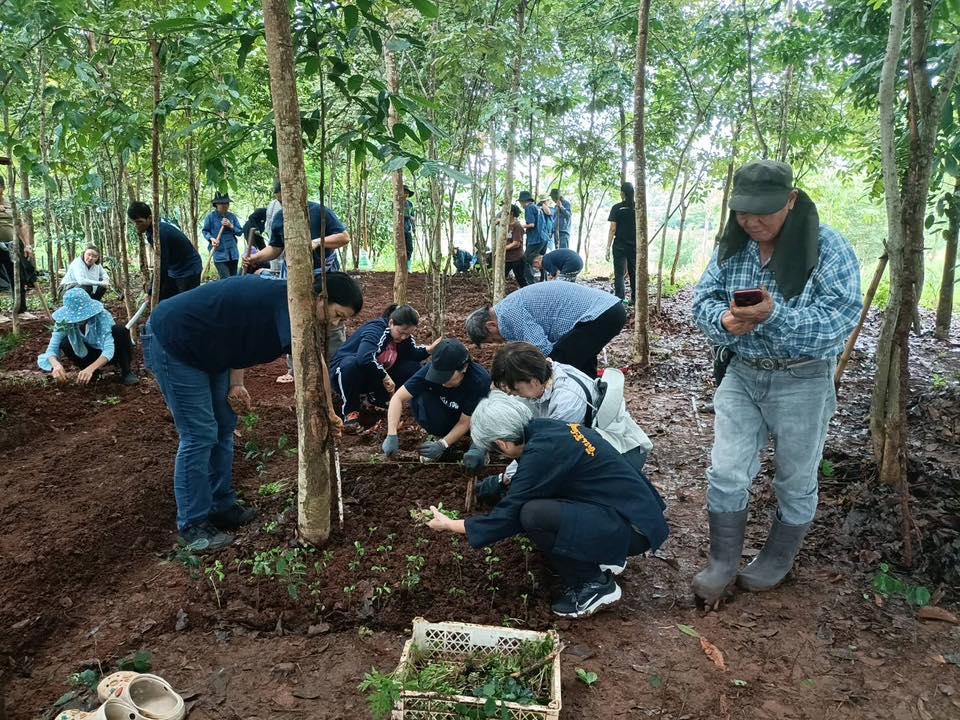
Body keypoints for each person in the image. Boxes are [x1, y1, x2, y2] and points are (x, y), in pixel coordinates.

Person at [689, 159, 862, 605]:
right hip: (743, 373)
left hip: (803, 378)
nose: (752, 221)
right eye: (743, 211)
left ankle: (777, 559)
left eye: (763, 210)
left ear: (791, 200)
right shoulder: (734, 246)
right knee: (727, 471)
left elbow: (838, 322)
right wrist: (723, 320)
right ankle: (722, 562)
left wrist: (774, 316)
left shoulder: (827, 248)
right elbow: (702, 299)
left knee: (795, 478)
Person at [142, 272, 364, 550]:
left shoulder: (297, 305)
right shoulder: (290, 306)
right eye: (338, 315)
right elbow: (310, 364)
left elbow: (236, 334)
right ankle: (193, 525)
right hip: (177, 340)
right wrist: (330, 410)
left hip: (212, 348)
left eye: (343, 320)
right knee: (199, 434)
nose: (335, 324)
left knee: (225, 424)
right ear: (322, 297)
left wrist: (236, 383)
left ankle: (221, 505)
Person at [424, 393, 668, 618]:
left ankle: (593, 585)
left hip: (634, 529)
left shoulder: (541, 455)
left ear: (503, 444)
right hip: (635, 512)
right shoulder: (547, 430)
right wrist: (501, 483)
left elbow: (509, 517)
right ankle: (604, 555)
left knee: (533, 515)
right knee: (538, 507)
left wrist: (451, 524)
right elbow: (533, 483)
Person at [465, 281, 627, 378]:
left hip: (600, 314)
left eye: (493, 339)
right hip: (608, 310)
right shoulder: (507, 308)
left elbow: (543, 350)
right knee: (580, 361)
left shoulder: (508, 315)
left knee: (555, 364)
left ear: (491, 325)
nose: (500, 341)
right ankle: (591, 401)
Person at [330, 304, 438, 431]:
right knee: (351, 364)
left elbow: (412, 353)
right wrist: (385, 376)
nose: (403, 337)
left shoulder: (402, 336)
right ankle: (351, 412)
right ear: (391, 323)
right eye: (401, 332)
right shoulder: (376, 330)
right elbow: (364, 358)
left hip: (372, 376)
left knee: (412, 367)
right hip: (346, 375)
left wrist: (430, 349)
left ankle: (380, 401)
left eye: (408, 334)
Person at [382, 338, 491, 463]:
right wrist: (391, 434)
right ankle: (441, 437)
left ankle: (478, 445)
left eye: (446, 377)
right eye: (438, 376)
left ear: (463, 368)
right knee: (420, 397)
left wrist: (443, 444)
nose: (442, 382)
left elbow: (464, 422)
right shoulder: (431, 369)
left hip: (470, 420)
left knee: (483, 420)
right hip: (448, 412)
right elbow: (398, 397)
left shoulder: (479, 381)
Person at [38, 287, 138, 386]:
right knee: (65, 342)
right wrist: (56, 365)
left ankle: (126, 371)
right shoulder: (64, 322)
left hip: (110, 354)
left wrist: (91, 368)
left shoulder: (101, 316)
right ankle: (90, 373)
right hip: (85, 354)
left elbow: (108, 349)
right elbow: (52, 347)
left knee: (120, 331)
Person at [127, 201, 203, 301]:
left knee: (186, 303)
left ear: (150, 218)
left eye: (139, 222)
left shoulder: (160, 233)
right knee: (166, 299)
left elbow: (161, 265)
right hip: (174, 269)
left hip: (188, 269)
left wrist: (151, 292)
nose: (136, 226)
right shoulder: (151, 231)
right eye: (133, 222)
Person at [606, 182, 637, 305]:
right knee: (633, 272)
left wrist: (608, 247)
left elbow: (612, 229)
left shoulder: (616, 208)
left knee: (619, 274)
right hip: (634, 246)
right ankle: (635, 299)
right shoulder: (638, 207)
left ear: (622, 193)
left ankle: (619, 299)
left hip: (619, 245)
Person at [202, 194, 243, 279]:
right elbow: (205, 231)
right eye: (222, 203)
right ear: (216, 204)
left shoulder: (232, 217)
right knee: (226, 279)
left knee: (234, 280)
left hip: (233, 254)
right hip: (219, 254)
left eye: (227, 203)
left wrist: (231, 225)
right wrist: (211, 239)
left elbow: (239, 232)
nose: (225, 205)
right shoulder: (210, 217)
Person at [518, 191, 545, 286]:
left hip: (535, 240)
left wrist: (520, 226)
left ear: (524, 201)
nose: (521, 205)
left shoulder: (529, 208)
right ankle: (543, 280)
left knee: (526, 259)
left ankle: (530, 283)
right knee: (542, 259)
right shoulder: (537, 208)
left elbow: (531, 224)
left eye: (520, 202)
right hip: (543, 238)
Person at [504, 204, 526, 287]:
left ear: (511, 213)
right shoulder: (506, 225)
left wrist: (503, 248)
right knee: (501, 276)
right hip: (507, 258)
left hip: (516, 258)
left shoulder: (517, 226)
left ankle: (526, 292)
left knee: (520, 278)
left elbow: (516, 243)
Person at [403, 185, 416, 270]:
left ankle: (408, 267)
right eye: (404, 192)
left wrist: (414, 227)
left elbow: (413, 217)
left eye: (407, 192)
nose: (406, 194)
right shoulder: (396, 203)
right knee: (401, 249)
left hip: (408, 228)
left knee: (410, 248)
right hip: (400, 229)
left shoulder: (410, 204)